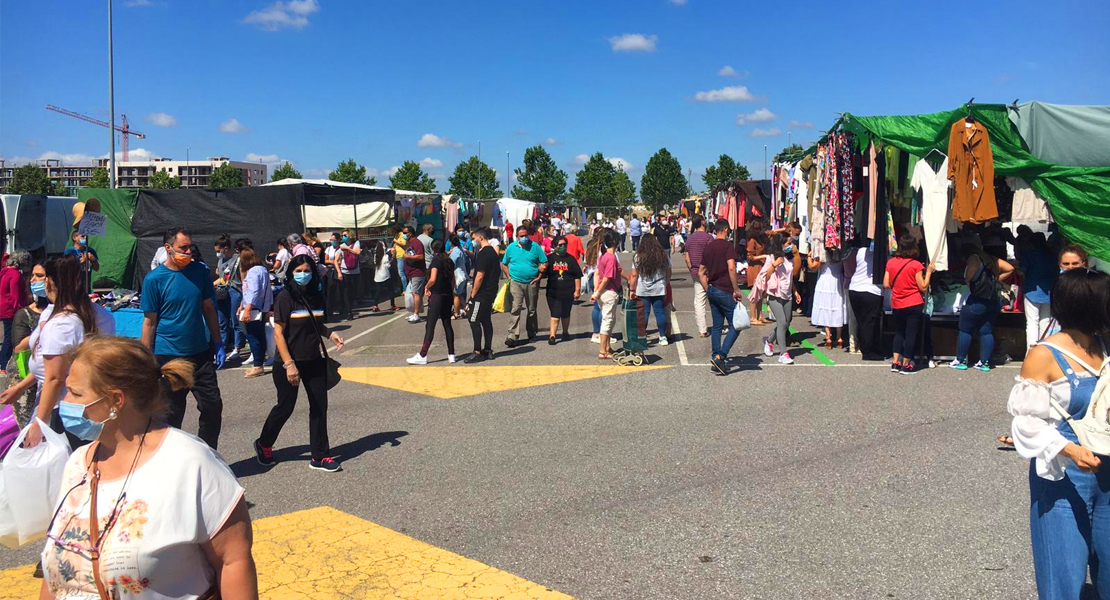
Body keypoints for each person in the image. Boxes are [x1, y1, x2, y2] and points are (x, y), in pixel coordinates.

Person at [40, 336, 257, 598]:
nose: (64, 401)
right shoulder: (77, 464)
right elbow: (54, 572)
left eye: (75, 393)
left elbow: (233, 560)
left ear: (115, 400)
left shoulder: (191, 463)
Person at [1007, 268, 1110, 600]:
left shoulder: (1105, 347)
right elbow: (1025, 424)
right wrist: (1070, 449)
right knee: (1063, 576)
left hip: (1108, 479)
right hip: (1064, 479)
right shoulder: (1043, 355)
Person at [0, 255, 113, 447]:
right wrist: (21, 387)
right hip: (77, 404)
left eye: (43, 278)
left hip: (61, 408)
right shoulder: (94, 314)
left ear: (51, 282)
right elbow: (49, 366)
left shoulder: (62, 324)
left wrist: (40, 424)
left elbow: (55, 377)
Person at [256, 255, 346, 472]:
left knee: (319, 406)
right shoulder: (286, 298)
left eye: (306, 270)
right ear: (290, 274)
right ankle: (264, 443)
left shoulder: (316, 296)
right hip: (289, 362)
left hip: (313, 360)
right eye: (297, 271)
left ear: (313, 273)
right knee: (285, 407)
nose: (302, 274)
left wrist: (330, 333)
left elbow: (316, 324)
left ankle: (320, 456)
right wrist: (289, 364)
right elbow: (278, 333)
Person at [140, 228, 227, 449]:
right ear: (168, 248)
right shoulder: (154, 280)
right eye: (183, 248)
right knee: (171, 414)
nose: (188, 251)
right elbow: (149, 322)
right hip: (169, 357)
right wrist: (145, 357)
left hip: (200, 354)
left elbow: (208, 308)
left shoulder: (199, 272)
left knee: (212, 407)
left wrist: (217, 342)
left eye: (190, 247)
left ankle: (208, 455)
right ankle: (171, 461)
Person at [950, 243, 1015, 371]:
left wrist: (969, 281)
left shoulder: (974, 258)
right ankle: (984, 363)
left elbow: (969, 276)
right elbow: (1010, 268)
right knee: (986, 331)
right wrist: (996, 279)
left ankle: (961, 360)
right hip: (993, 301)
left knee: (965, 329)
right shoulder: (992, 258)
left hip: (977, 299)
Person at [884, 233, 936, 375]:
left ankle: (895, 362)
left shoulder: (891, 262)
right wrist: (929, 272)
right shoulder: (916, 265)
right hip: (913, 303)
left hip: (897, 302)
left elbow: (886, 284)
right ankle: (906, 364)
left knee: (899, 332)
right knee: (911, 334)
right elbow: (923, 287)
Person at [699, 220, 743, 375]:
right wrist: (736, 289)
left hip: (712, 289)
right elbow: (731, 267)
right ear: (725, 230)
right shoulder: (727, 246)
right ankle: (721, 356)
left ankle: (715, 356)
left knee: (717, 326)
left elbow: (701, 272)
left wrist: (708, 288)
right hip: (724, 289)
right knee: (736, 325)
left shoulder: (709, 247)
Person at [408, 240, 457, 365]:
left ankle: (423, 354)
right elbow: (453, 280)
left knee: (430, 325)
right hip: (447, 295)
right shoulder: (449, 261)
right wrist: (450, 291)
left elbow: (433, 278)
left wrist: (427, 287)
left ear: (433, 249)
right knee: (447, 324)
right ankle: (451, 354)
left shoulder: (436, 260)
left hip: (437, 296)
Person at [501, 225, 548, 347]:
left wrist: (540, 276)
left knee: (531, 309)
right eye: (521, 236)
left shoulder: (535, 247)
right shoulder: (511, 247)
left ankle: (531, 333)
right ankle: (512, 336)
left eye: (526, 235)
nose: (524, 238)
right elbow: (504, 263)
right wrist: (508, 276)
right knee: (516, 308)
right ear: (517, 237)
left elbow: (544, 262)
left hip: (532, 282)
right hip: (516, 282)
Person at [1017, 232, 1060, 349]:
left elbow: (1021, 272)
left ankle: (1032, 350)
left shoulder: (1029, 254)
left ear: (1031, 243)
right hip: (1049, 292)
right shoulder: (1053, 255)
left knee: (1032, 322)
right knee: (1045, 321)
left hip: (1032, 292)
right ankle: (1045, 348)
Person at [759, 234, 796, 364]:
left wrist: (795, 291)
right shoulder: (772, 257)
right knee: (782, 322)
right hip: (775, 294)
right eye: (788, 243)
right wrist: (774, 265)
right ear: (781, 244)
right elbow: (765, 275)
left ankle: (769, 341)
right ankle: (783, 353)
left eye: (791, 243)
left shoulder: (790, 258)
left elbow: (790, 276)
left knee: (787, 322)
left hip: (788, 294)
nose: (790, 245)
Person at [844, 245, 885, 361]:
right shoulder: (881, 252)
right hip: (871, 289)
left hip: (855, 288)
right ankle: (868, 351)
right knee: (870, 322)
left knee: (862, 321)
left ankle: (867, 348)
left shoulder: (860, 251)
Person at [465, 228, 500, 363]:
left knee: (474, 320)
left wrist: (473, 294)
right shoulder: (492, 252)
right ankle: (488, 349)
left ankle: (477, 351)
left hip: (482, 293)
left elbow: (479, 276)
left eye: (474, 239)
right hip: (491, 291)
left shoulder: (485, 253)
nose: (473, 241)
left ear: (480, 238)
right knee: (486, 320)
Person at [238, 247, 273, 378]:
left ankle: (257, 365)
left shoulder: (252, 272)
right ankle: (259, 363)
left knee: (252, 336)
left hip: (253, 308)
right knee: (260, 335)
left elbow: (252, 291)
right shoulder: (263, 269)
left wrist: (247, 308)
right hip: (262, 308)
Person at [630, 235, 671, 346]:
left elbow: (634, 274)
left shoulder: (638, 256)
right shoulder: (663, 255)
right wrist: (665, 284)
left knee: (644, 313)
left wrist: (631, 289)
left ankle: (642, 337)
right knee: (659, 312)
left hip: (643, 289)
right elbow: (668, 272)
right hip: (659, 288)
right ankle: (662, 336)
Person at [590, 231, 623, 360]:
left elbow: (598, 273)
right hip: (608, 291)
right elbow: (607, 277)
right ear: (615, 242)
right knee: (608, 321)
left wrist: (597, 291)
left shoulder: (604, 256)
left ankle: (607, 347)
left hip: (604, 292)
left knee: (610, 319)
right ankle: (603, 350)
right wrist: (597, 291)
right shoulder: (610, 257)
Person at [545, 235, 583, 344]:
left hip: (568, 292)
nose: (563, 247)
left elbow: (577, 275)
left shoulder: (570, 259)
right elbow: (543, 273)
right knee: (555, 314)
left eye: (564, 245)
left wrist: (577, 290)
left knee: (566, 313)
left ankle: (565, 332)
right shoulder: (550, 259)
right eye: (560, 245)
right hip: (553, 293)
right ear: (554, 246)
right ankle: (552, 336)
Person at [809, 254, 847, 348]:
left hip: (825, 280)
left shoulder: (823, 253)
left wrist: (809, 257)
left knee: (826, 307)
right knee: (838, 306)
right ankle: (839, 337)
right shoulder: (840, 251)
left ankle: (828, 337)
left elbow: (813, 267)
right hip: (838, 279)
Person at [0, 250, 30, 372]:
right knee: (10, 336)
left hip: (3, 306)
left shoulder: (4, 271)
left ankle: (3, 364)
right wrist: (21, 310)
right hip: (11, 309)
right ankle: (3, 365)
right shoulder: (15, 275)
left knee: (7, 335)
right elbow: (15, 295)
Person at [684, 215, 713, 338]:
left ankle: (702, 329)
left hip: (695, 271)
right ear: (702, 222)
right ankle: (718, 325)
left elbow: (687, 258)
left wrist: (691, 268)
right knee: (714, 300)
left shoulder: (690, 239)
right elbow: (713, 256)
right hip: (707, 272)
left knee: (699, 301)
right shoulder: (708, 238)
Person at [213, 235, 237, 353]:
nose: (218, 254)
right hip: (222, 293)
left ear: (226, 248)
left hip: (234, 291)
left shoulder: (236, 259)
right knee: (222, 321)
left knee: (235, 321)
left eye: (219, 251)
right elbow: (222, 278)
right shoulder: (220, 261)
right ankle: (222, 346)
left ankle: (237, 346)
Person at [403, 225, 427, 323]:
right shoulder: (409, 243)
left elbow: (421, 256)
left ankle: (416, 314)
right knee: (414, 293)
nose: (404, 235)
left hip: (417, 272)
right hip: (411, 273)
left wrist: (408, 257)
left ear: (410, 233)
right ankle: (415, 312)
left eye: (405, 233)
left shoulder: (416, 243)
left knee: (416, 293)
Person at [746, 219, 769, 324]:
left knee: (761, 292)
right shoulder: (752, 241)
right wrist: (762, 256)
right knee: (755, 293)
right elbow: (750, 257)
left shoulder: (760, 238)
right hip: (754, 268)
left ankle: (760, 315)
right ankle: (752, 316)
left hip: (761, 267)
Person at [448, 234, 468, 319]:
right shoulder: (460, 249)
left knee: (455, 295)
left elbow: (452, 264)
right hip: (463, 274)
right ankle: (466, 307)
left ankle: (457, 313)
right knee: (459, 294)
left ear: (451, 242)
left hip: (458, 276)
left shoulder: (455, 251)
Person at [392, 226, 410, 299]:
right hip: (398, 255)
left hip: (401, 255)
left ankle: (405, 289)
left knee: (401, 273)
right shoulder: (398, 236)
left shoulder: (402, 235)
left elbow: (404, 244)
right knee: (402, 273)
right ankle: (405, 288)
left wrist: (396, 242)